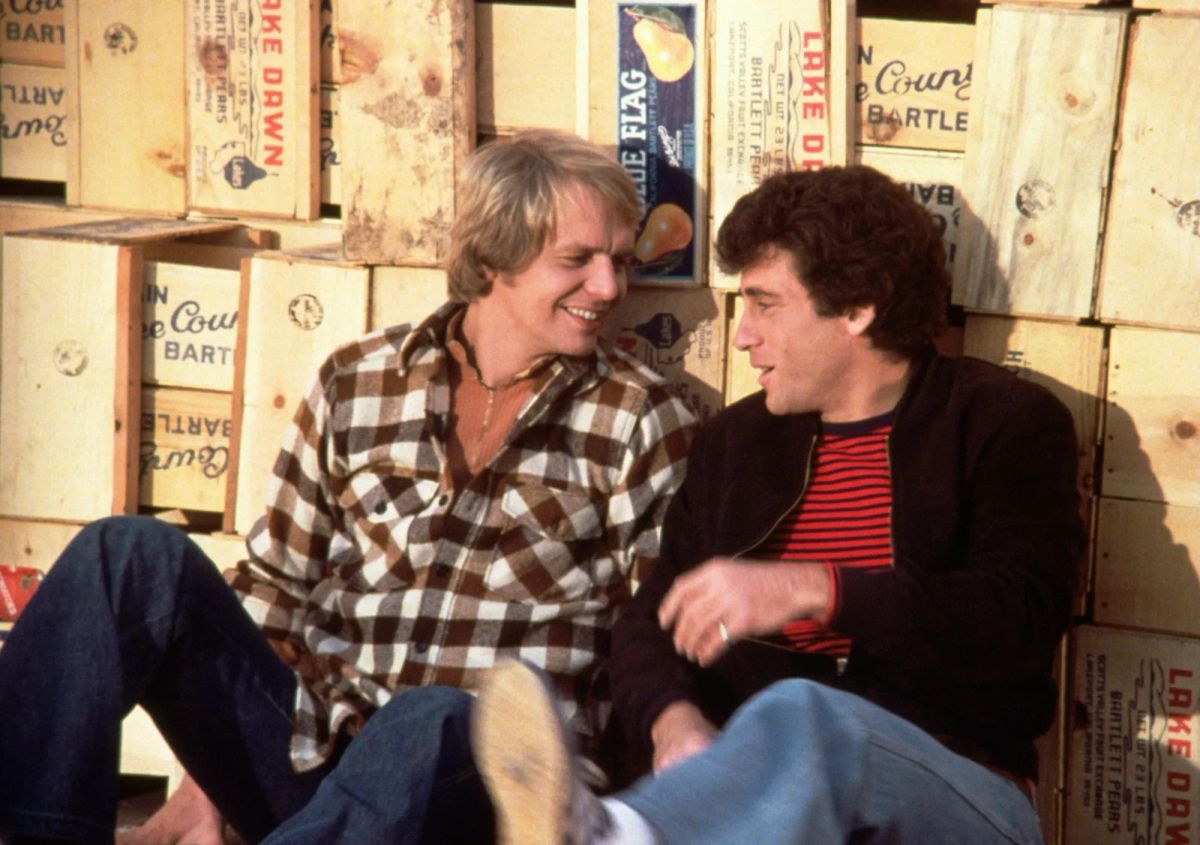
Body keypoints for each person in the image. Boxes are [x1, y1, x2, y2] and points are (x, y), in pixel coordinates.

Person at [0, 129, 696, 845]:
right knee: (126, 555)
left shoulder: (638, 418)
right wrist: (205, 787)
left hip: (488, 793)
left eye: (620, 261)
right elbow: (276, 591)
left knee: (431, 716)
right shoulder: (358, 381)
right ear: (495, 256)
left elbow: (655, 639)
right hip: (321, 759)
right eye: (577, 261)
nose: (609, 288)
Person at [473, 165, 1084, 845]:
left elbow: (1020, 618)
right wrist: (674, 722)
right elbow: (652, 622)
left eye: (765, 304)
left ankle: (621, 835)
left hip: (955, 788)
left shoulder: (1003, 423)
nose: (743, 335)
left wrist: (814, 588)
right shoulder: (736, 442)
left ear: (856, 308)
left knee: (812, 716)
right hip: (764, 808)